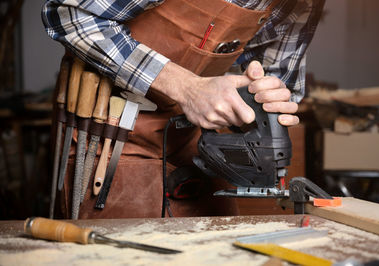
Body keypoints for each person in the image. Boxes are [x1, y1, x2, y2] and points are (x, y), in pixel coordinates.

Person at [42, 0, 325, 219]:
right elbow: (70, 14)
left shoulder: (302, 4)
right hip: (109, 129)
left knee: (218, 247)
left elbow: (276, 77)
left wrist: (261, 104)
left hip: (192, 134)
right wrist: (187, 88)